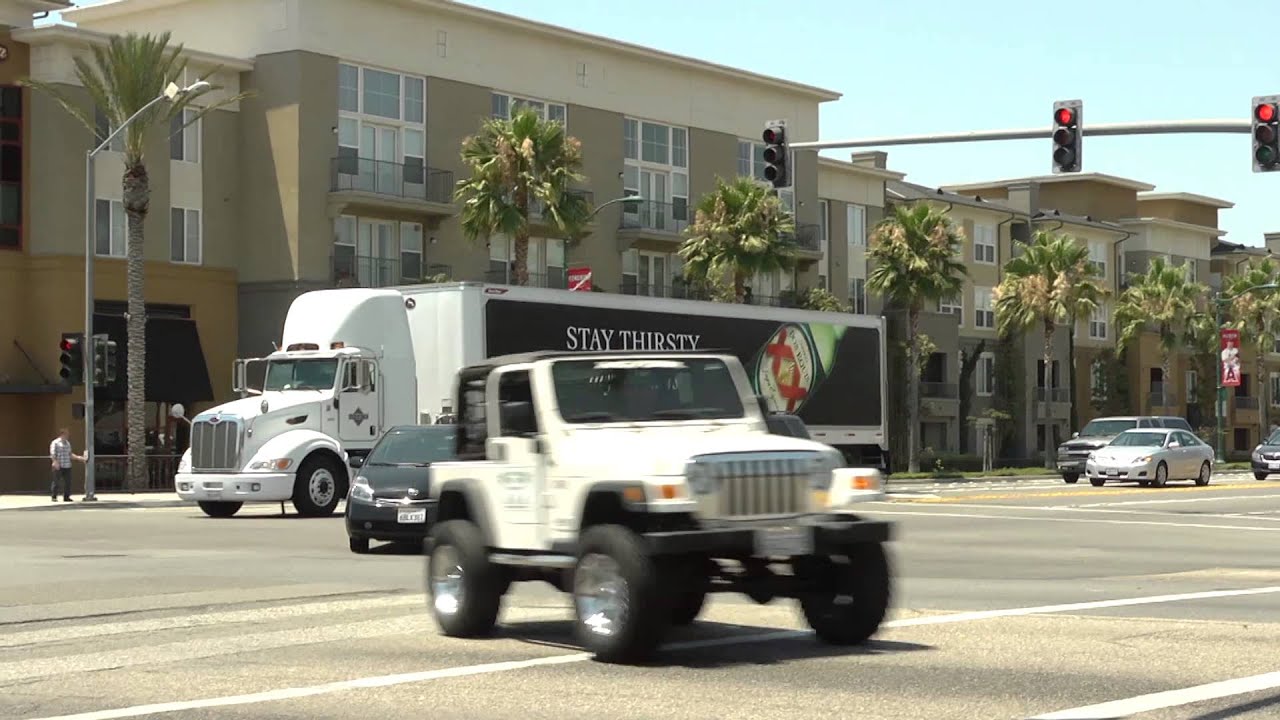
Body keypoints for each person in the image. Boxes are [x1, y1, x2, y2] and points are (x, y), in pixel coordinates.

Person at [49, 428, 86, 502]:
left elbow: (70, 454)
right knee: (56, 481)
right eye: (66, 434)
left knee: (68, 482)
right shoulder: (55, 443)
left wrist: (79, 458)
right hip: (58, 465)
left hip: (67, 465)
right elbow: (52, 453)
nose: (67, 436)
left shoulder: (68, 443)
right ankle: (54, 496)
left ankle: (66, 497)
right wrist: (55, 462)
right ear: (62, 434)